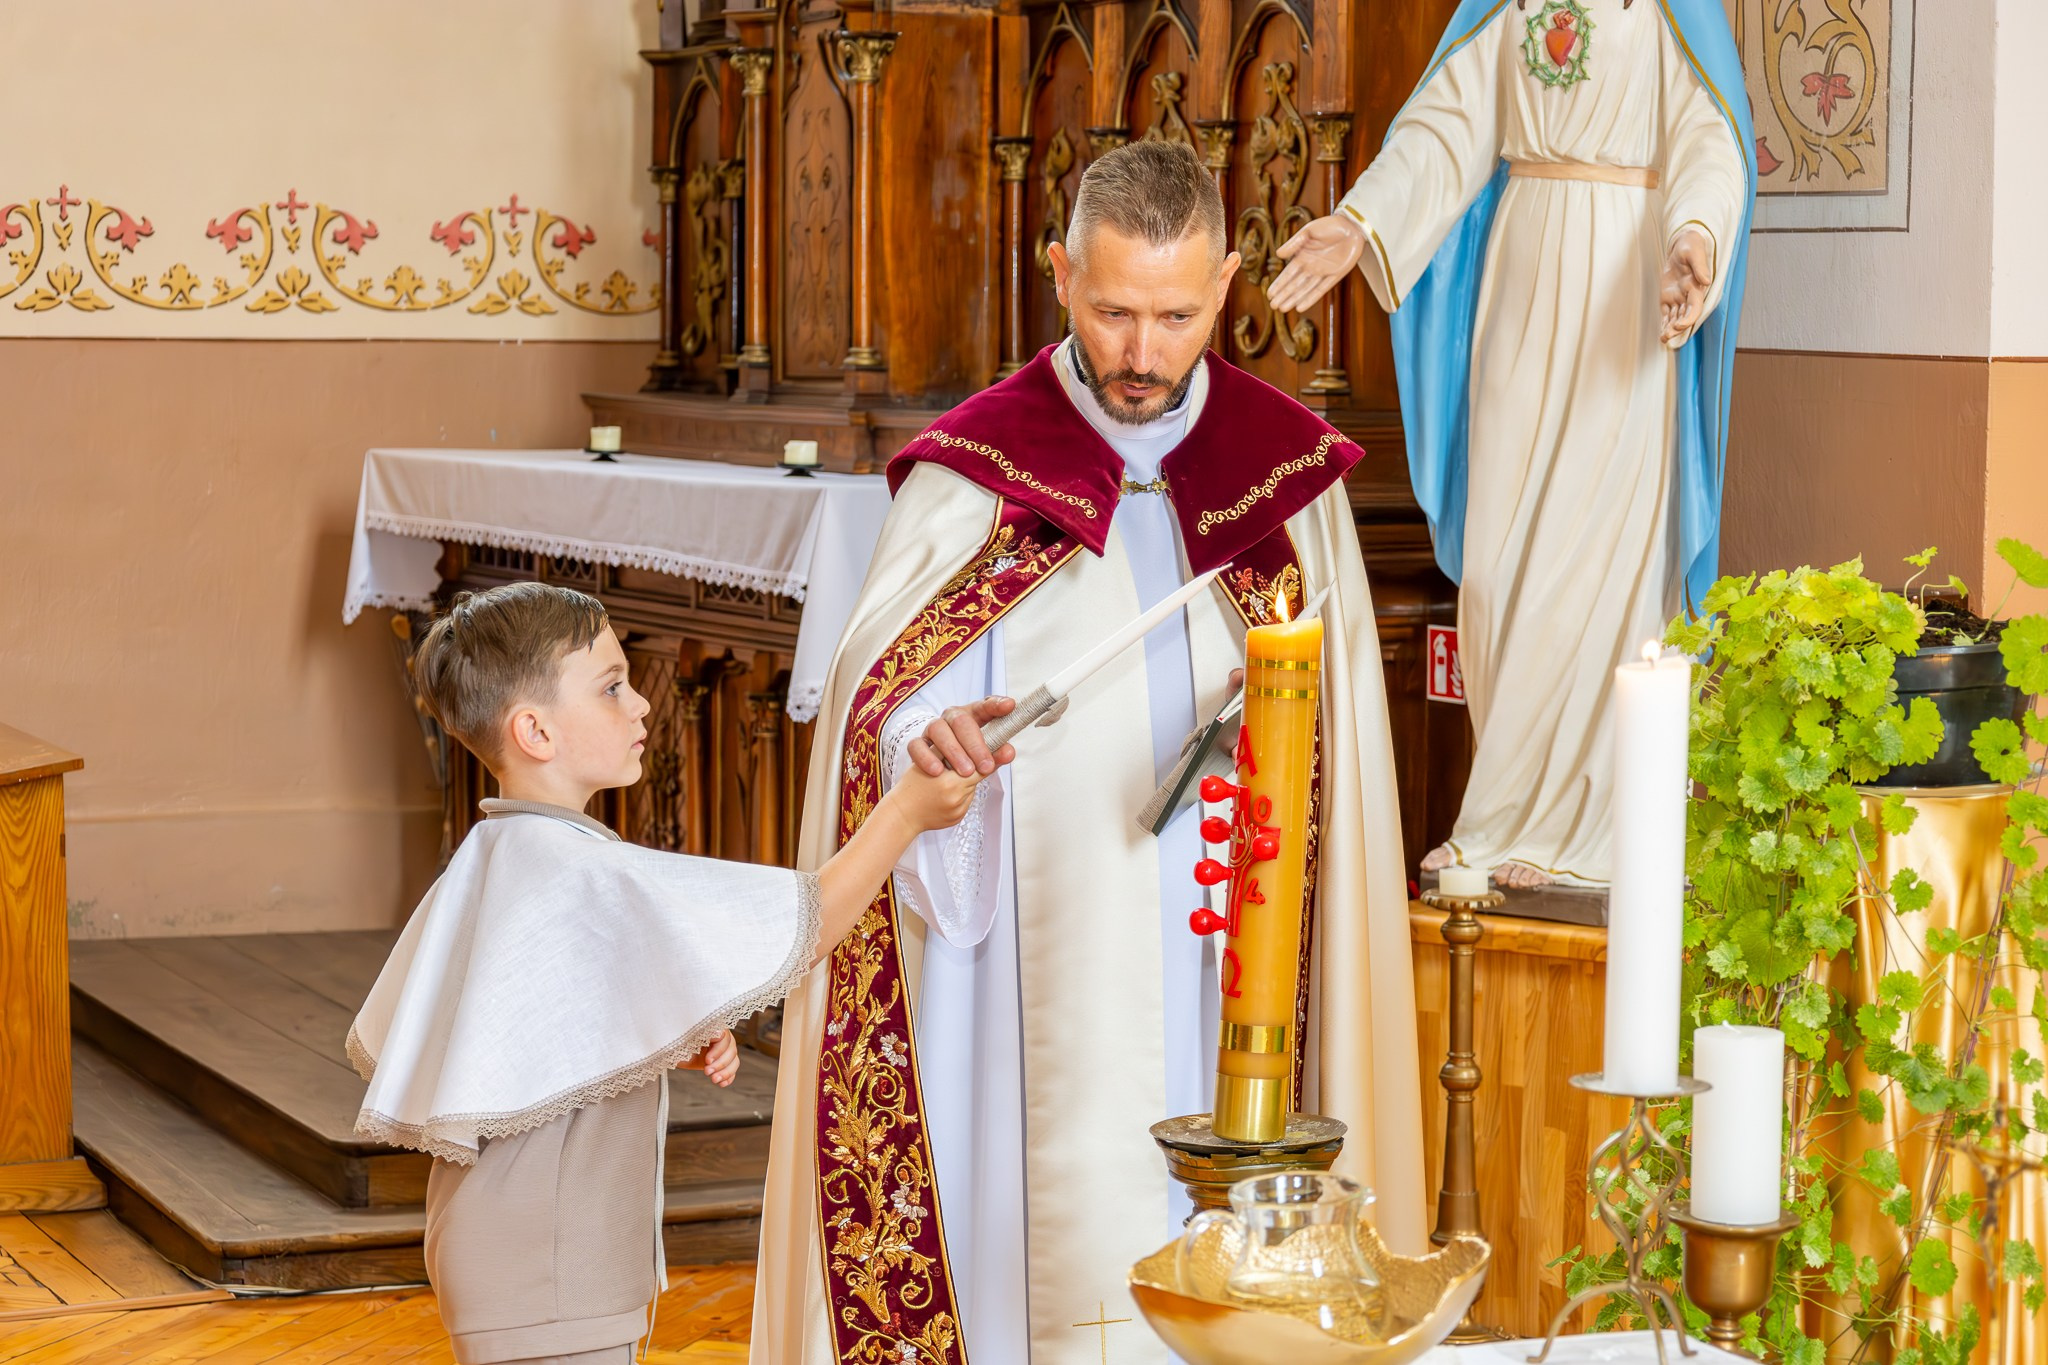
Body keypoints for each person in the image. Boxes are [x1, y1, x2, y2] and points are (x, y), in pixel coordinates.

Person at [753, 140, 1424, 1365]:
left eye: (1173, 316)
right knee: (1030, 1226)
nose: (1138, 353)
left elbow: (1343, 753)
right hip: (1025, 952)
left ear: (1224, 283)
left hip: (1235, 943)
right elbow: (879, 697)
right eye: (1111, 311)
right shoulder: (978, 472)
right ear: (1058, 274)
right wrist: (924, 735)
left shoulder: (1286, 482)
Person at [346, 582, 998, 1365]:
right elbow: (810, 919)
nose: (642, 705)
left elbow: (536, 1022)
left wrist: (654, 1034)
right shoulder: (575, 868)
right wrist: (905, 812)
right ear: (535, 730)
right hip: (549, 1269)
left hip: (518, 1253)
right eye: (612, 686)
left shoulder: (506, 848)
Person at [1266, 0, 1755, 889]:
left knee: (1599, 556)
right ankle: (1505, 810)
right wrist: (1361, 221)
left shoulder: (1675, 12)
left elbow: (1710, 141)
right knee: (1501, 560)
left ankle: (1580, 833)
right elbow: (1448, 127)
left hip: (1627, 289)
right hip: (1523, 278)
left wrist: (1695, 239)